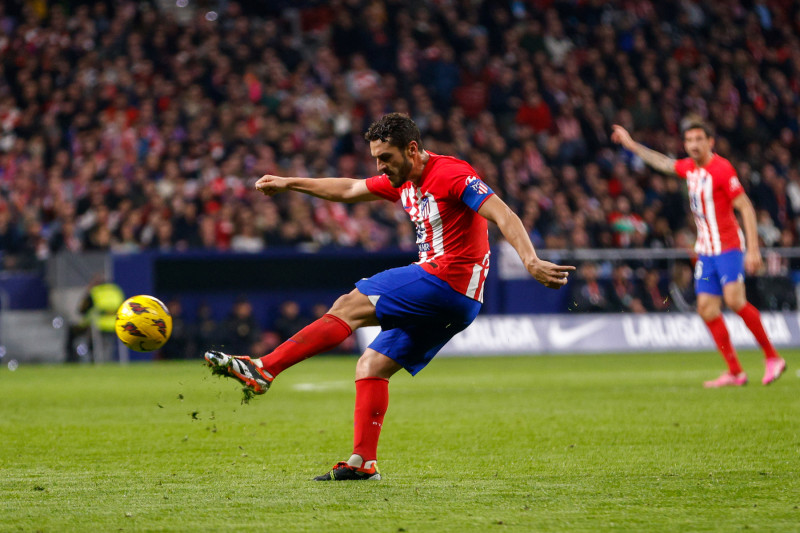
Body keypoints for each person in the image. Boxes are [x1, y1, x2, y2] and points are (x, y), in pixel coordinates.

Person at [204, 113, 575, 481]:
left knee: (348, 306)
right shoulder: (401, 180)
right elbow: (348, 189)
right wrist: (289, 184)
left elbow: (503, 213)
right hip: (460, 303)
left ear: (412, 149)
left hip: (446, 279)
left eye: (386, 158)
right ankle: (363, 461)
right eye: (376, 158)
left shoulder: (451, 174)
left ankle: (264, 368)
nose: (381, 166)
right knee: (372, 366)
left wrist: (530, 259)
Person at [611, 120, 786, 387]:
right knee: (706, 308)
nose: (693, 145)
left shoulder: (722, 169)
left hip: (728, 247)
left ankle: (772, 357)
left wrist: (753, 250)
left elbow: (746, 208)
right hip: (705, 251)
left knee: (735, 300)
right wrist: (631, 144)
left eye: (698, 139)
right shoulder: (689, 168)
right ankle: (735, 372)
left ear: (710, 142)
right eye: (689, 140)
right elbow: (662, 163)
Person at [64, 275, 125, 363]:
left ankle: (72, 359)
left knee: (73, 331)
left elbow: (82, 310)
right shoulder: (116, 291)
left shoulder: (95, 292)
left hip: (98, 325)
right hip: (116, 326)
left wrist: (87, 291)